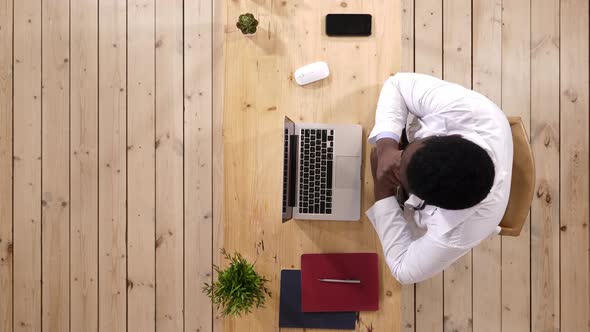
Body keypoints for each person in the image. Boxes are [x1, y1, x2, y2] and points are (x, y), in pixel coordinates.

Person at [367, 73, 513, 284]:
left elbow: (401, 269)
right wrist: (386, 146)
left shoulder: (457, 233)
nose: (394, 161)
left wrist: (383, 192)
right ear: (449, 135)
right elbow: (396, 84)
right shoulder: (469, 111)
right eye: (404, 152)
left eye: (398, 172)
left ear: (425, 202)